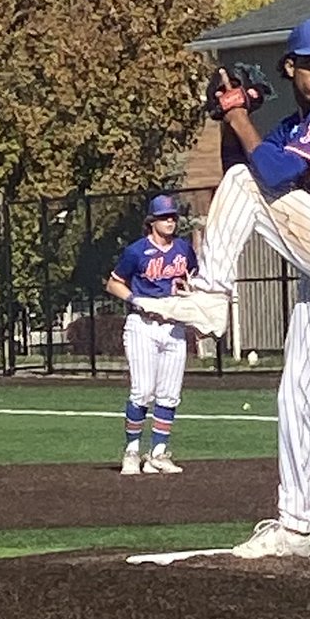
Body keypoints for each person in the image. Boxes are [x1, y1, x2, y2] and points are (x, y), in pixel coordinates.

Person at [135, 16, 310, 557]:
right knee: (295, 393)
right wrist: (235, 117)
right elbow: (245, 165)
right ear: (290, 66)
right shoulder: (292, 130)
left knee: (248, 184)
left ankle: (209, 296)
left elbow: (269, 178)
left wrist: (238, 113)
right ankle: (294, 528)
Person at [105, 193, 198, 475]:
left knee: (169, 394)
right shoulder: (136, 251)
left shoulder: (183, 249)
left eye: (172, 216)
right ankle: (132, 451)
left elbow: (193, 279)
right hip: (142, 324)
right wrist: (135, 299)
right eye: (163, 217)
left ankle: (158, 453)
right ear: (151, 221)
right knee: (142, 391)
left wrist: (191, 297)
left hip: (173, 324)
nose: (170, 221)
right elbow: (113, 283)